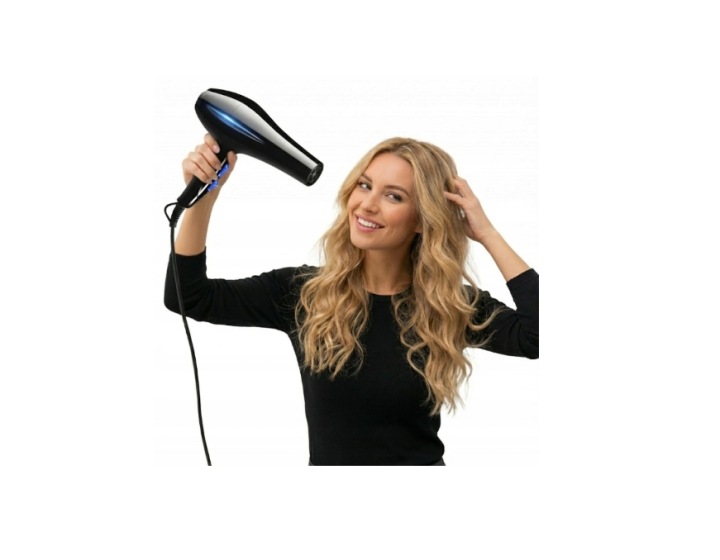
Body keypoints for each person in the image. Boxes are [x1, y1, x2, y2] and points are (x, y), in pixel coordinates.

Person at [165, 134, 539, 466]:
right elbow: (187, 297)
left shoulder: (448, 305)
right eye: (364, 185)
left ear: (422, 220)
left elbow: (538, 336)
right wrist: (203, 199)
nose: (367, 204)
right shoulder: (304, 293)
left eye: (393, 196)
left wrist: (487, 233)